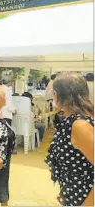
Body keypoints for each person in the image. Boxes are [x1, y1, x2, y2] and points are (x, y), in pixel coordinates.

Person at [45, 73, 94, 206]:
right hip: (73, 197)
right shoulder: (71, 121)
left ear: (56, 94)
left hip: (82, 200)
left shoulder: (79, 125)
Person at [1, 79, 17, 154]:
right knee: (8, 133)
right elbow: (9, 105)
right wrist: (14, 110)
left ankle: (2, 148)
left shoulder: (0, 89)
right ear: (10, 82)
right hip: (7, 114)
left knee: (1, 132)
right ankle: (8, 149)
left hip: (0, 113)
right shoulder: (7, 91)